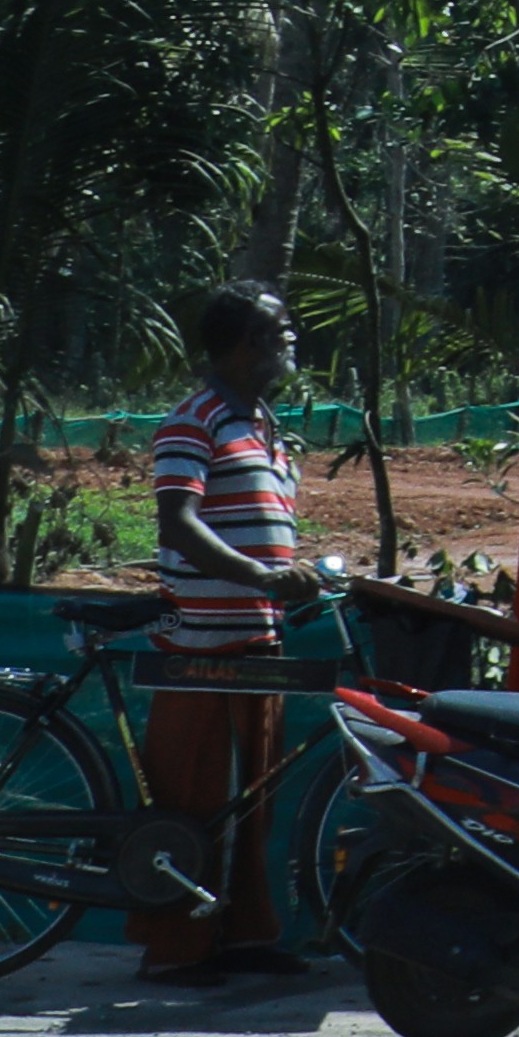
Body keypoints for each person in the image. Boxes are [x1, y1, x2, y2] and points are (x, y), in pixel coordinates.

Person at [140, 285, 325, 989]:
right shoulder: (196, 420)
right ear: (248, 344)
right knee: (193, 795)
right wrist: (259, 574)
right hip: (202, 645)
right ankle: (176, 946)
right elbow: (178, 522)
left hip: (257, 639)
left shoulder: (265, 425)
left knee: (254, 795)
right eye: (282, 330)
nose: (290, 341)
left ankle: (246, 934)